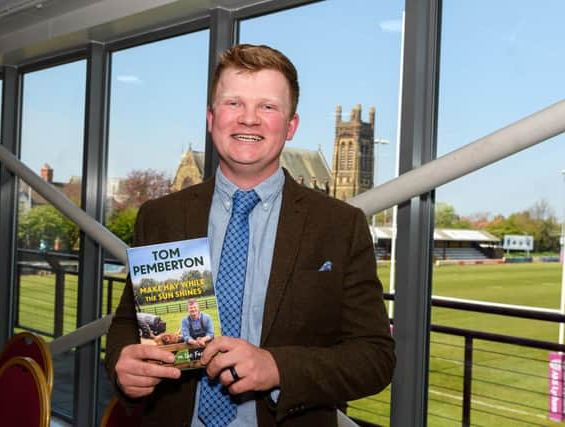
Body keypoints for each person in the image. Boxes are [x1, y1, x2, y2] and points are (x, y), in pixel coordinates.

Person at [105, 44, 395, 427]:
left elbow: (374, 357)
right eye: (233, 103)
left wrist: (278, 367)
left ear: (291, 126)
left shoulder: (340, 225)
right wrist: (122, 361)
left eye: (268, 107)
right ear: (211, 118)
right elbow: (129, 322)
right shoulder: (161, 217)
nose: (249, 119)